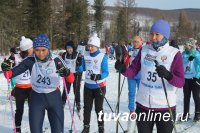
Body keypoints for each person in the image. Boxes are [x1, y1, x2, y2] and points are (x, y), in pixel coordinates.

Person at [115, 19, 185, 133]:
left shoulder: (174, 53)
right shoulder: (144, 49)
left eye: (157, 34)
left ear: (165, 35)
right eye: (151, 34)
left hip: (164, 107)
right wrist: (123, 69)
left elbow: (180, 82)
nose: (153, 37)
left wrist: (168, 75)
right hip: (143, 105)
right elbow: (133, 71)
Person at [1, 34, 75, 133]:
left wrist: (67, 73)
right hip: (36, 99)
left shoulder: (57, 59)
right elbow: (10, 74)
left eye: (43, 50)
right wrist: (5, 68)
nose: (40, 53)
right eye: (37, 50)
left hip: (54, 98)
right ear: (34, 49)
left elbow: (71, 79)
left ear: (48, 49)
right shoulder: (30, 60)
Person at [80, 33, 109, 133]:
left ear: (97, 46)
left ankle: (101, 127)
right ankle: (86, 126)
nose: (90, 48)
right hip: (87, 86)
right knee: (87, 108)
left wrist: (99, 76)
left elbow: (106, 72)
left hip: (99, 86)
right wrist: (78, 63)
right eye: (89, 46)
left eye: (92, 46)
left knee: (98, 108)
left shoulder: (102, 56)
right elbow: (81, 68)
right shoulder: (86, 55)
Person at [126, 36, 142, 132]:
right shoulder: (130, 51)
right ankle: (132, 111)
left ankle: (141, 110)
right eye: (134, 41)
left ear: (141, 42)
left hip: (141, 76)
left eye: (137, 41)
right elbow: (126, 62)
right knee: (131, 93)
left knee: (141, 94)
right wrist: (127, 56)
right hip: (131, 76)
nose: (135, 43)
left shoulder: (143, 51)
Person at [182, 38, 200, 121]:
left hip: (195, 78)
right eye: (185, 45)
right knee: (186, 97)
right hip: (186, 78)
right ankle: (186, 114)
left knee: (196, 97)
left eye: (188, 45)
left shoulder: (197, 53)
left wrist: (195, 57)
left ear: (191, 45)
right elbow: (182, 63)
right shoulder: (183, 54)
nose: (186, 46)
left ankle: (197, 113)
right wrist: (187, 59)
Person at [61, 40, 83, 112]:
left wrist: (79, 63)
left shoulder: (77, 54)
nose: (69, 49)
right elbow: (61, 64)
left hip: (76, 74)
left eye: (70, 48)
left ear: (73, 48)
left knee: (76, 89)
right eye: (67, 48)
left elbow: (81, 64)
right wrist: (62, 71)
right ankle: (63, 101)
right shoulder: (64, 55)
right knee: (66, 89)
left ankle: (78, 103)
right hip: (68, 74)